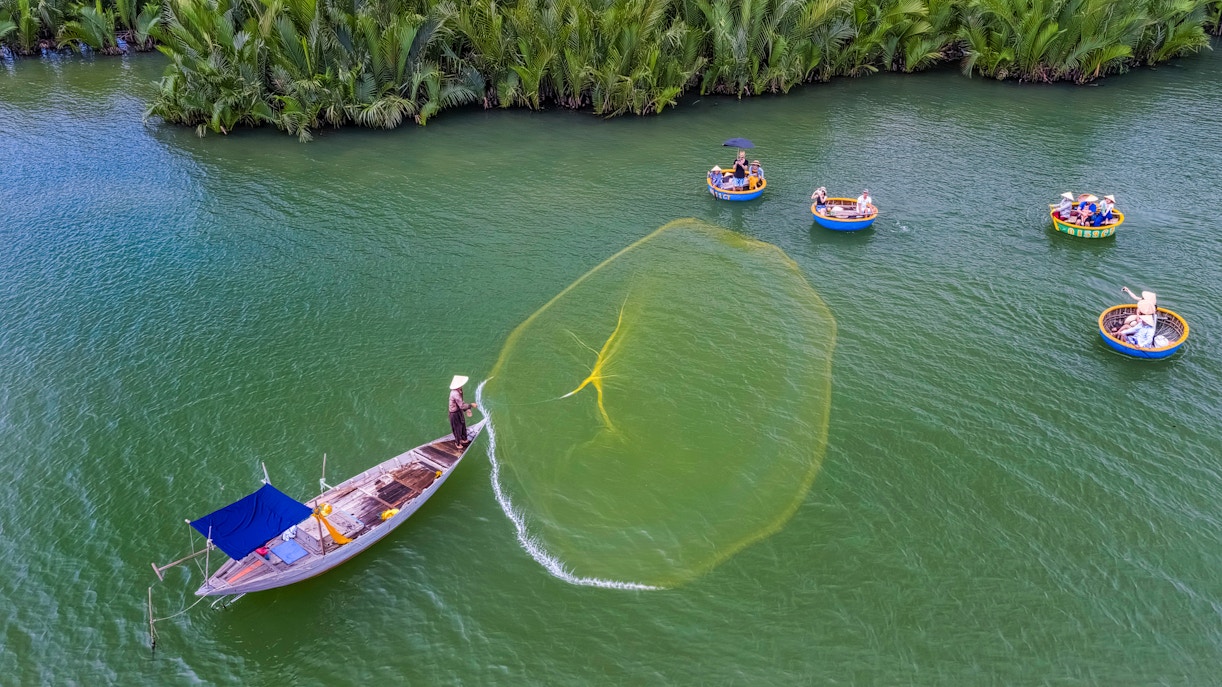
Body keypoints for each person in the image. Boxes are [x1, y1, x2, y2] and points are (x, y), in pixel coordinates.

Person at [448, 375, 477, 450]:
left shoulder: (459, 390)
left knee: (463, 425)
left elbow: (461, 403)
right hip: (454, 414)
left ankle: (464, 439)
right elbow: (461, 405)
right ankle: (457, 443)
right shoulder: (455, 393)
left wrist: (467, 409)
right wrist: (470, 406)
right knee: (457, 428)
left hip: (459, 411)